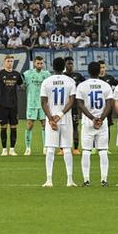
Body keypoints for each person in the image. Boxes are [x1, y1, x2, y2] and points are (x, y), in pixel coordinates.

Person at [39, 57, 78, 187]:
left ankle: (49, 180)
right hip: (65, 119)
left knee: (50, 149)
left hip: (51, 121)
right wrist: (60, 115)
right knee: (67, 149)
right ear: (64, 67)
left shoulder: (46, 81)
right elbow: (72, 101)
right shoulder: (70, 81)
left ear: (52, 67)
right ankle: (69, 180)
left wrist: (51, 118)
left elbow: (43, 102)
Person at [75, 61, 114, 186]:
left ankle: (86, 180)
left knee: (86, 151)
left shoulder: (82, 85)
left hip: (88, 122)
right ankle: (104, 180)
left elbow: (80, 104)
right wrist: (101, 118)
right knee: (102, 151)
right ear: (99, 71)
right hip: (102, 123)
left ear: (88, 71)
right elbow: (109, 104)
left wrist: (92, 118)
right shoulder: (105, 85)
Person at [0, 55, 24, 156]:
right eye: (8, 61)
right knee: (3, 127)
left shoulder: (17, 74)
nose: (10, 63)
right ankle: (4, 149)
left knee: (13, 127)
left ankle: (12, 149)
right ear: (4, 62)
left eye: (11, 61)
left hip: (13, 105)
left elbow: (21, 85)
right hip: (3, 104)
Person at [22, 55, 48, 156]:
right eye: (38, 63)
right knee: (29, 125)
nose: (40, 65)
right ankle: (28, 148)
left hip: (43, 103)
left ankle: (45, 147)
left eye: (41, 63)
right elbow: (22, 84)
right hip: (32, 103)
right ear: (34, 63)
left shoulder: (46, 74)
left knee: (45, 125)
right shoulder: (27, 74)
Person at [64, 57, 85, 151]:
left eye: (71, 63)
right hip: (64, 105)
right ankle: (62, 148)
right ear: (65, 64)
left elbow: (85, 85)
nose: (70, 65)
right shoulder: (62, 76)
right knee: (64, 127)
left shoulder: (78, 75)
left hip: (74, 106)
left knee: (75, 126)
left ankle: (76, 148)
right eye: (68, 63)